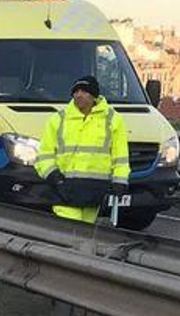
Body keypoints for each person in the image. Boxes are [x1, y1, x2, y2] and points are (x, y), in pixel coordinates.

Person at [33, 75, 130, 225]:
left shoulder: (113, 120)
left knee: (85, 232)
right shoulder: (58, 119)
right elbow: (44, 155)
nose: (79, 95)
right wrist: (55, 178)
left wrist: (120, 182)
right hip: (64, 188)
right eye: (76, 91)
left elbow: (120, 157)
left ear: (94, 96)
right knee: (71, 228)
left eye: (84, 91)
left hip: (94, 190)